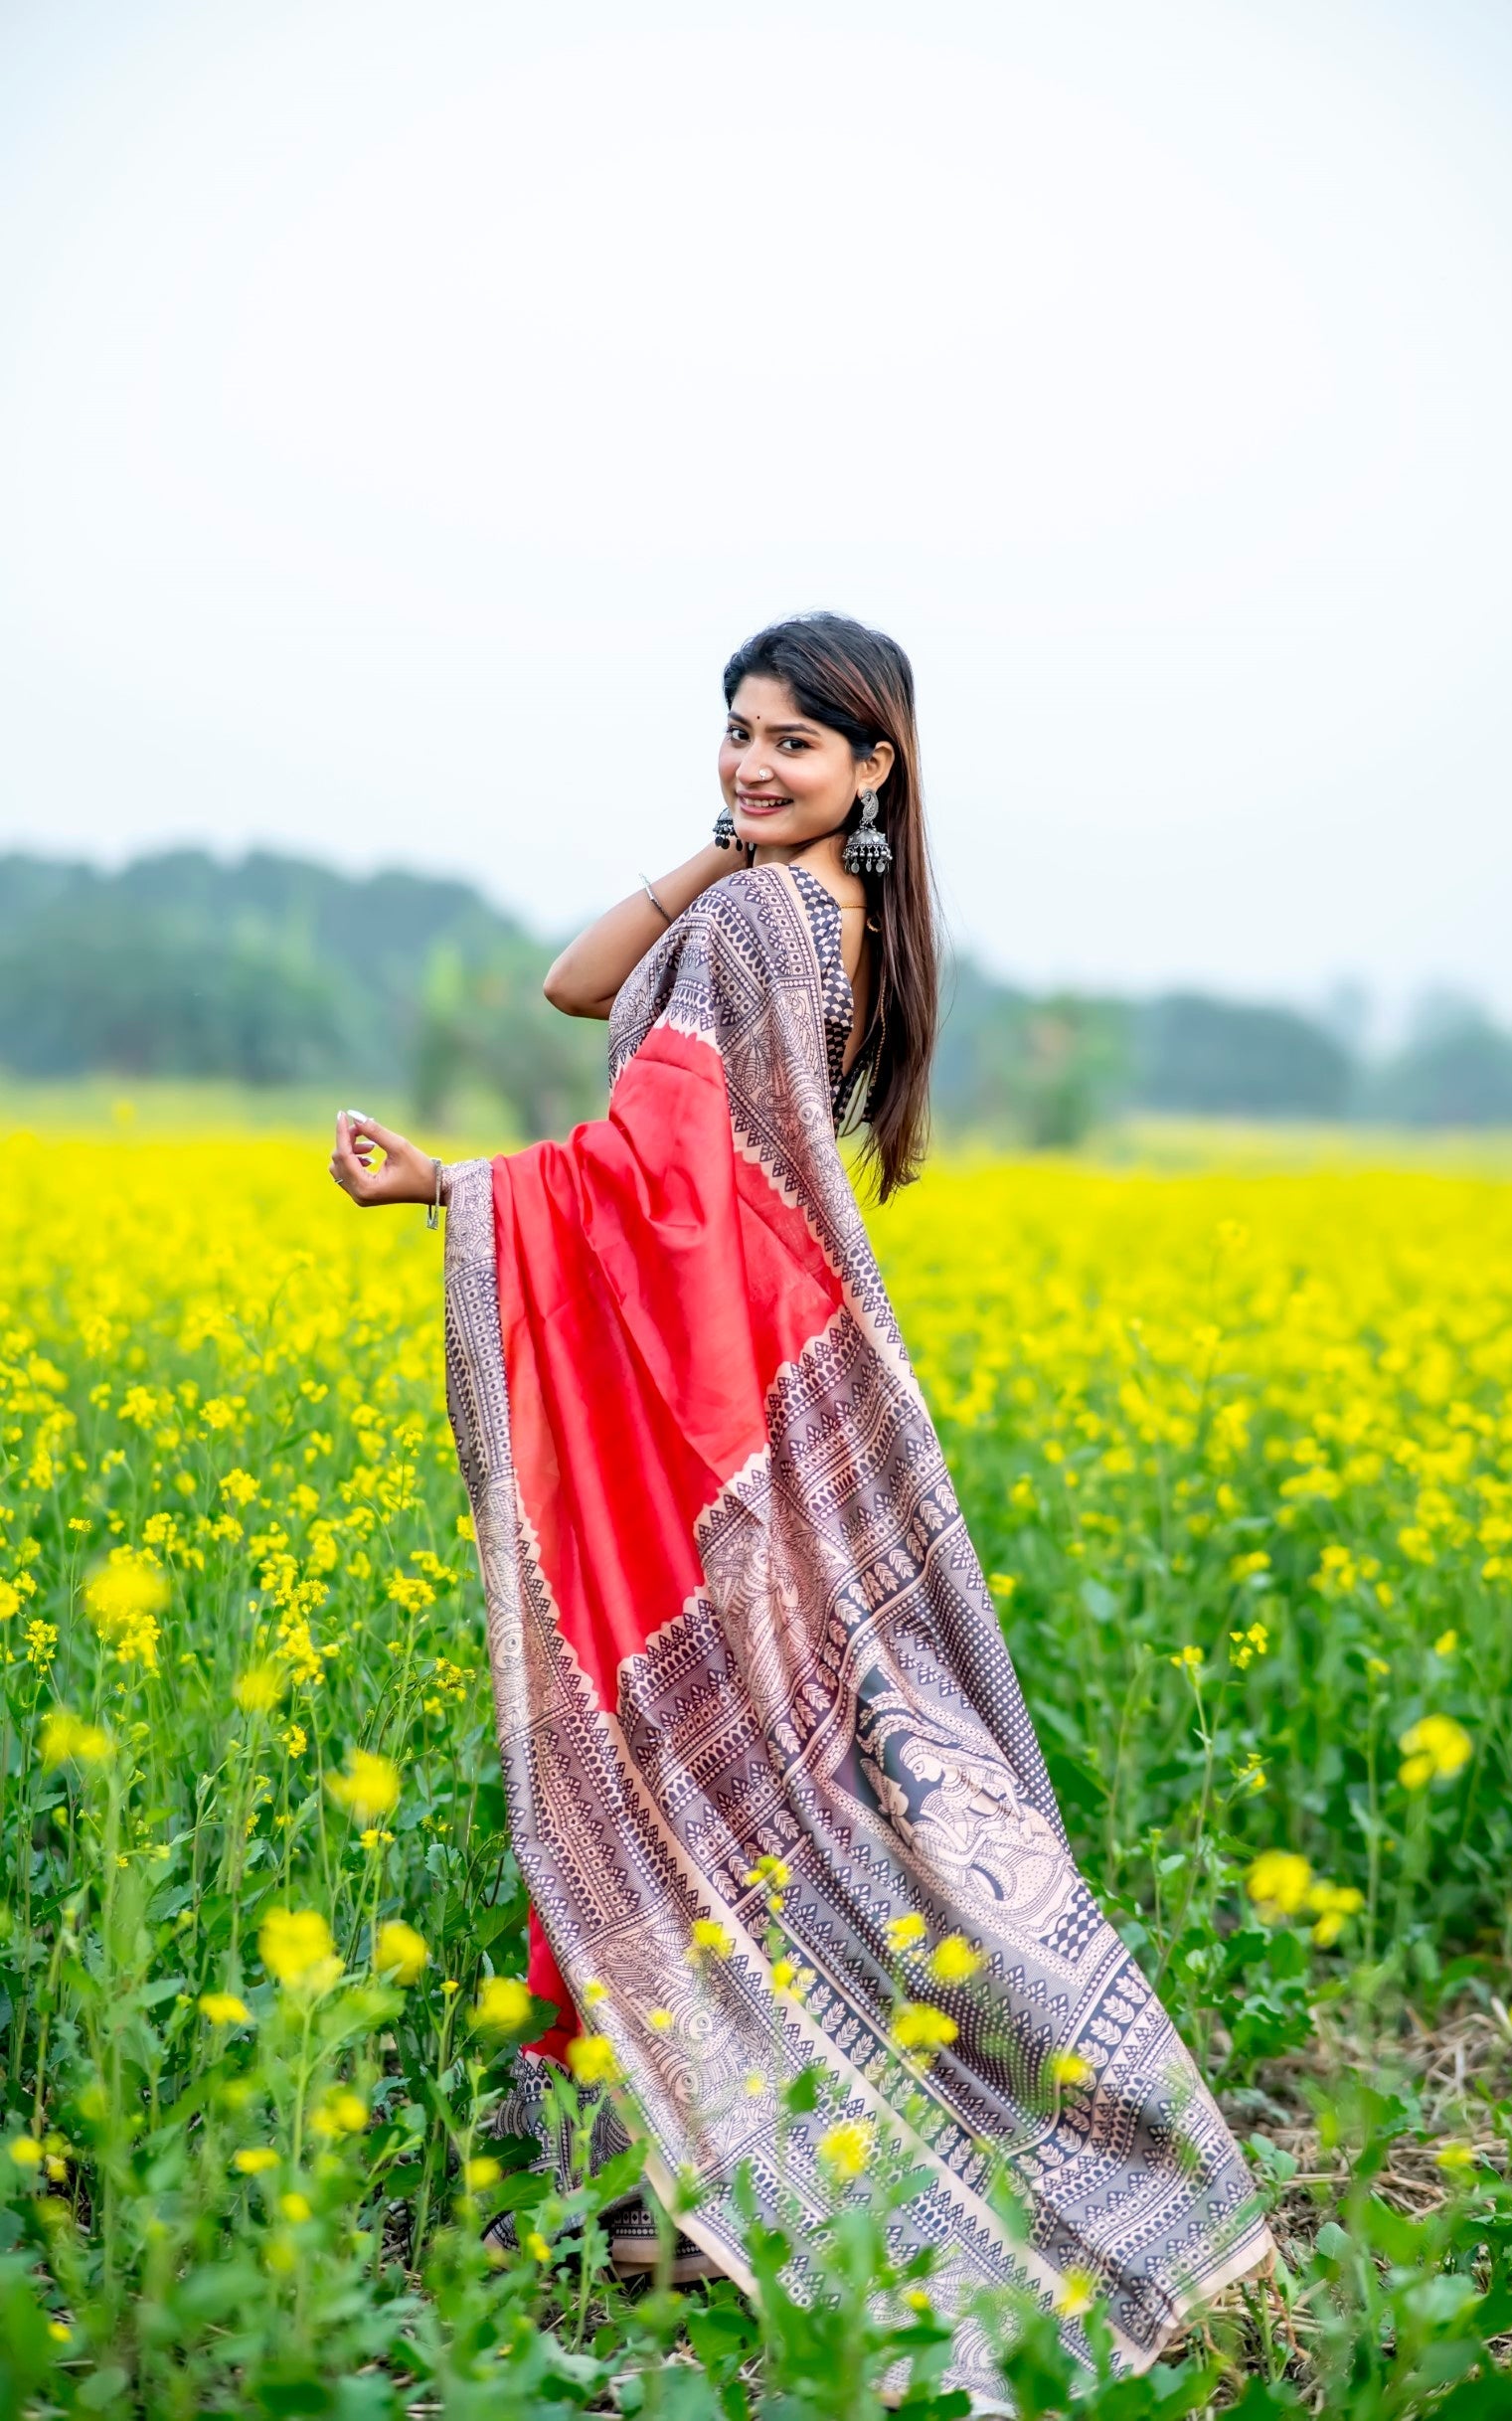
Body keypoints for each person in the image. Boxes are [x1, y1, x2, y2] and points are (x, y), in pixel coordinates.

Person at [327, 613, 1274, 2401]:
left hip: (703, 1397)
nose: (752, 763)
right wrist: (744, 831)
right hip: (773, 1371)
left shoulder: (768, 918)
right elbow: (579, 987)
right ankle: (817, 2167)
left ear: (877, 764)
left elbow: (654, 1171)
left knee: (679, 1770)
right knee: (813, 1777)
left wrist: (451, 1188)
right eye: (737, 733)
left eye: (795, 745)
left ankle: (669, 2199)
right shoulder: (826, 908)